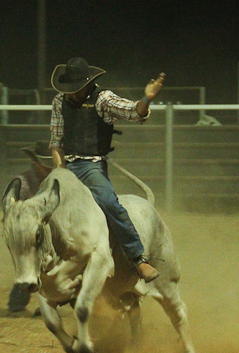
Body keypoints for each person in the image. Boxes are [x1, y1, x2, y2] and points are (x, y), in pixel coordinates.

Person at [49, 57, 165, 283]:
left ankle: (138, 259)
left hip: (91, 165)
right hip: (66, 167)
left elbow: (132, 111)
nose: (71, 94)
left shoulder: (102, 99)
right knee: (38, 207)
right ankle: (39, 266)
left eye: (76, 89)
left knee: (108, 202)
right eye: (69, 89)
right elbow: (56, 143)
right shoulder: (58, 102)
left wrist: (146, 100)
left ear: (86, 85)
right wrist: (60, 173)